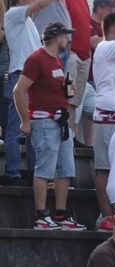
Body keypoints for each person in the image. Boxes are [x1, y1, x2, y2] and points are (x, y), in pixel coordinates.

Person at [12, 21, 82, 229]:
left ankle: (60, 214)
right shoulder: (36, 59)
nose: (68, 40)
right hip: (44, 122)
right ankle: (41, 215)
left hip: (60, 123)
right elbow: (18, 90)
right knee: (44, 170)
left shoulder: (57, 61)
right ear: (56, 37)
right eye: (65, 36)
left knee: (65, 170)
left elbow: (59, 92)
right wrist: (25, 120)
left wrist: (69, 88)